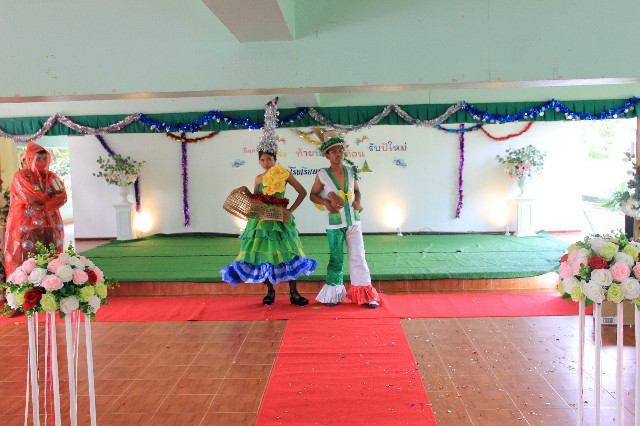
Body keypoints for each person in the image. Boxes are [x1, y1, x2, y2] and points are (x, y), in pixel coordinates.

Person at [220, 98, 317, 305]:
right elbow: (256, 200)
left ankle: (294, 293)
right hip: (262, 223)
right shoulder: (258, 178)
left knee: (289, 254)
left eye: (269, 159)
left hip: (281, 222)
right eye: (262, 160)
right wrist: (244, 190)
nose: (266, 163)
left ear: (275, 159)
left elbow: (302, 192)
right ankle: (270, 292)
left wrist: (290, 211)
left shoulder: (284, 174)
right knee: (264, 255)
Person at [309, 128, 380, 308]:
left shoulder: (351, 171)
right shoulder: (322, 174)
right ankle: (334, 294)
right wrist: (326, 202)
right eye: (333, 151)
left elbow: (356, 190)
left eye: (340, 150)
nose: (338, 154)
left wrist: (358, 201)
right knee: (336, 258)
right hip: (334, 223)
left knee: (359, 256)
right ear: (327, 155)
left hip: (354, 220)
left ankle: (365, 295)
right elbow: (313, 195)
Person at [4, 141, 67, 277]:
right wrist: (50, 199)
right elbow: (30, 195)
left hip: (50, 225)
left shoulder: (52, 177)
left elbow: (62, 196)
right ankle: (27, 285)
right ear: (30, 159)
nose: (42, 162)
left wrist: (43, 206)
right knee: (29, 258)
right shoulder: (21, 176)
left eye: (45, 158)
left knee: (51, 256)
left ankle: (51, 284)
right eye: (38, 159)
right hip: (28, 225)